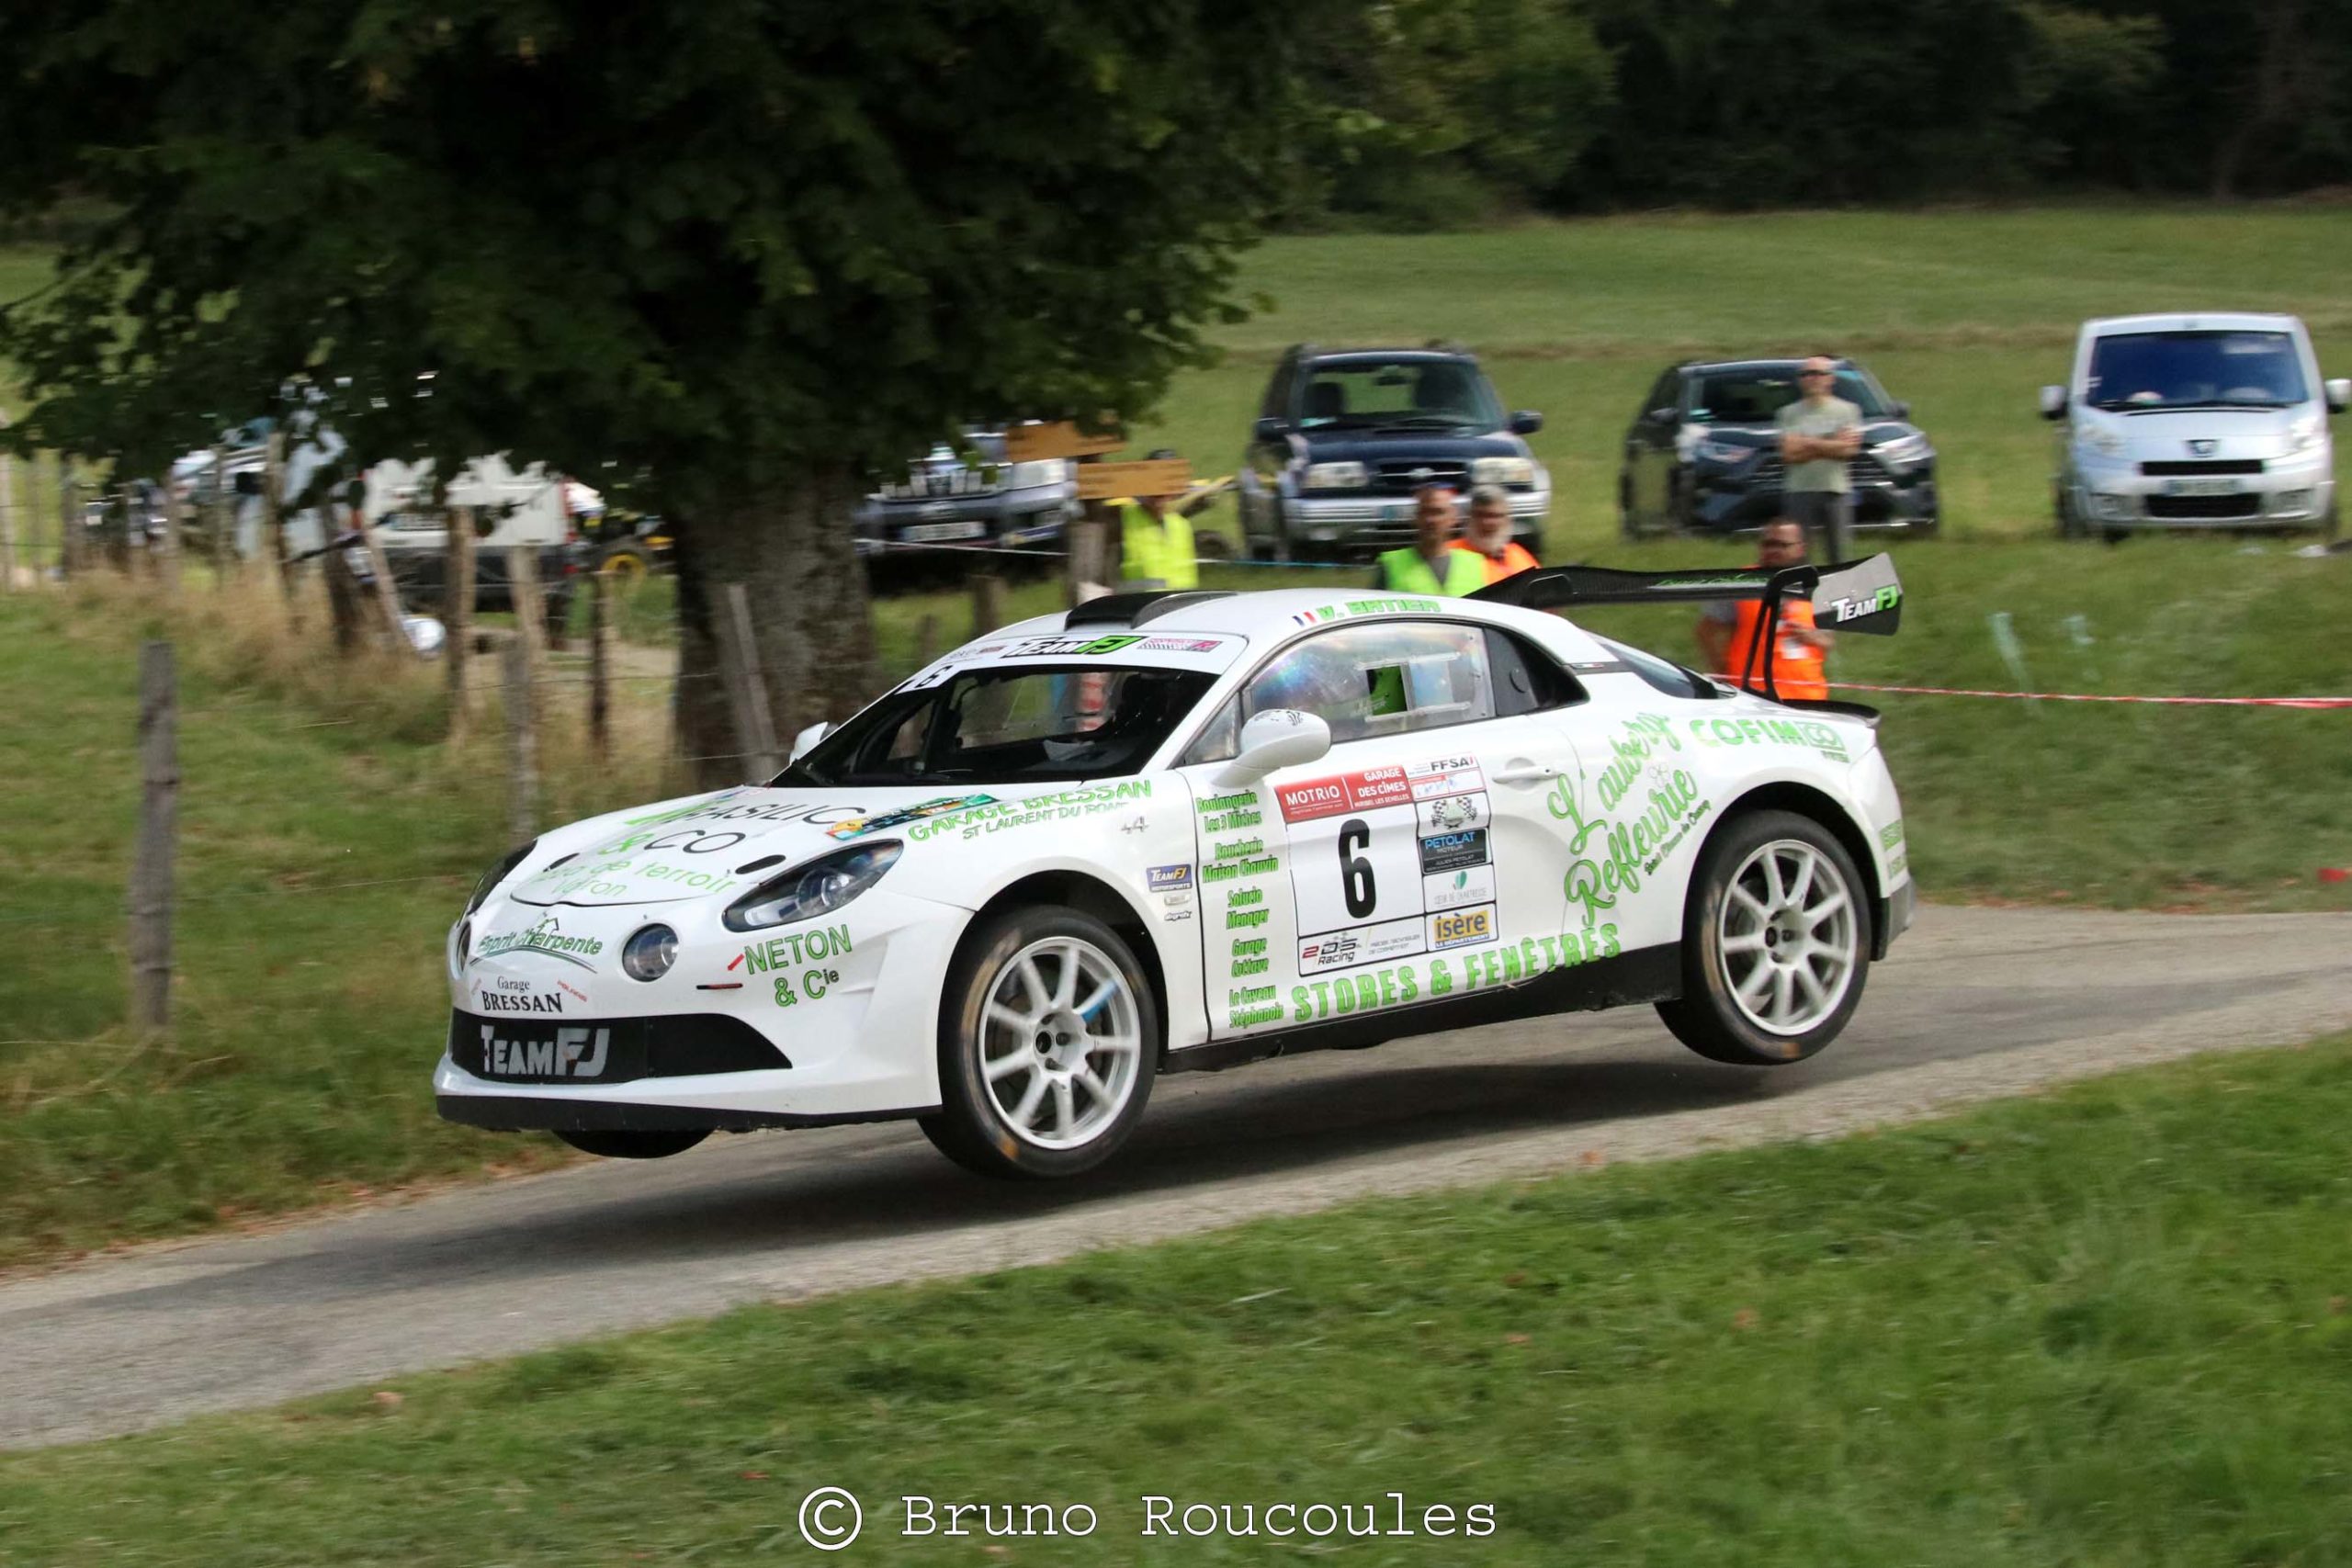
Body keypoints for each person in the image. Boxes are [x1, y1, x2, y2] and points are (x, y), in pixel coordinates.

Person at [1695, 518, 1834, 701]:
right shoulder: (1741, 583)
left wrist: (1809, 636)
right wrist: (1723, 671)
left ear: (1800, 548)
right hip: (1752, 698)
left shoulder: (1817, 586)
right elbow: (1706, 632)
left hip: (1807, 698)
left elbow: (1828, 641)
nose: (1773, 551)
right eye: (1768, 544)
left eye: (1781, 545)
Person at [1776, 355, 1861, 559]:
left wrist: (1808, 442)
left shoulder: (1847, 410)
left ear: (1830, 378)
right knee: (1797, 556)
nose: (1813, 378)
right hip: (1799, 490)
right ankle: (1802, 592)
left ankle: (1837, 592)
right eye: (1807, 374)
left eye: (1819, 373)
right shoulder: (1788, 413)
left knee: (1837, 554)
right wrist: (1831, 443)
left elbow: (1849, 450)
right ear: (1800, 380)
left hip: (1835, 489)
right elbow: (1788, 453)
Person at [1373, 484, 1485, 595]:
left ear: (1453, 518)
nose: (1430, 520)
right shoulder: (1391, 563)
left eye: (1438, 512)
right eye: (1425, 512)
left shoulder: (1475, 563)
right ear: (1416, 518)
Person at [1117, 448, 1201, 592]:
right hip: (1140, 609)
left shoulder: (1181, 525)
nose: (1161, 494)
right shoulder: (1121, 520)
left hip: (1181, 608)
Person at [1452, 484, 1539, 585]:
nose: (1486, 522)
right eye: (1480, 515)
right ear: (1468, 518)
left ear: (1507, 520)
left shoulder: (1517, 553)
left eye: (1495, 516)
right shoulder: (1451, 555)